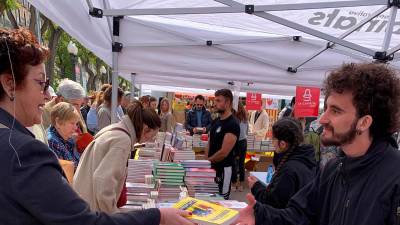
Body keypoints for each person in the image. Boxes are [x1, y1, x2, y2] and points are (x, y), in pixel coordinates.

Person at [0, 28, 193, 225]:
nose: (48, 95)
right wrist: (157, 216)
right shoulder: (22, 151)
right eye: (41, 83)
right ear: (9, 85)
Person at [234, 63, 400, 225]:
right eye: (326, 108)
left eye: (335, 111)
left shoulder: (394, 177)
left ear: (364, 123)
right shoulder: (333, 169)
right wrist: (260, 216)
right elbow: (299, 215)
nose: (322, 119)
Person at [74, 102, 161, 213]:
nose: (151, 140)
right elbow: (104, 181)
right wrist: (113, 214)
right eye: (152, 136)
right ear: (145, 129)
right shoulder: (122, 140)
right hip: (91, 207)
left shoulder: (118, 130)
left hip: (84, 200)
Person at [247, 117, 316, 209]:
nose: (272, 143)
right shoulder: (306, 159)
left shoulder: (289, 169)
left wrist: (256, 186)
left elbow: (274, 202)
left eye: (273, 139)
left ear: (282, 144)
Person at [206, 89, 240, 200]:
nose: (215, 103)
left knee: (221, 201)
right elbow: (209, 142)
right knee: (209, 199)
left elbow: (224, 152)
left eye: (218, 101)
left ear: (228, 102)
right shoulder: (216, 121)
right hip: (211, 168)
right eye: (215, 100)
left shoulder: (232, 124)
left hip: (223, 170)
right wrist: (205, 163)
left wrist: (208, 161)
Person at [48, 102, 81, 168]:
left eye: (76, 124)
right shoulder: (53, 142)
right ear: (58, 122)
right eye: (72, 123)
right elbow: (64, 173)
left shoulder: (67, 137)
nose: (75, 128)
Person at [231, 103, 249, 192]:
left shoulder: (234, 118)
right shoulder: (245, 117)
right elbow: (247, 131)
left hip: (235, 141)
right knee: (241, 163)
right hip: (243, 141)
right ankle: (241, 184)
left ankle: (234, 183)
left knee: (234, 163)